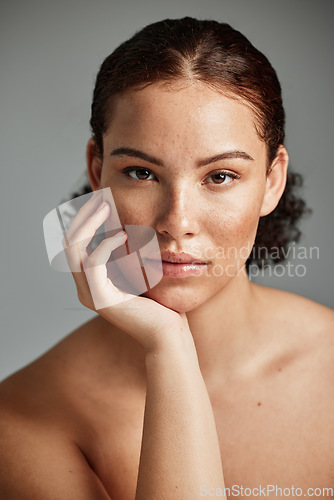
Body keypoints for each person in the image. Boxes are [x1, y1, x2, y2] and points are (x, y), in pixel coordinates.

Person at [0, 17, 333, 500]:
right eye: (140, 172)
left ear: (273, 181)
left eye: (220, 176)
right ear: (98, 171)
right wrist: (169, 349)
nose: (177, 221)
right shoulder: (21, 419)